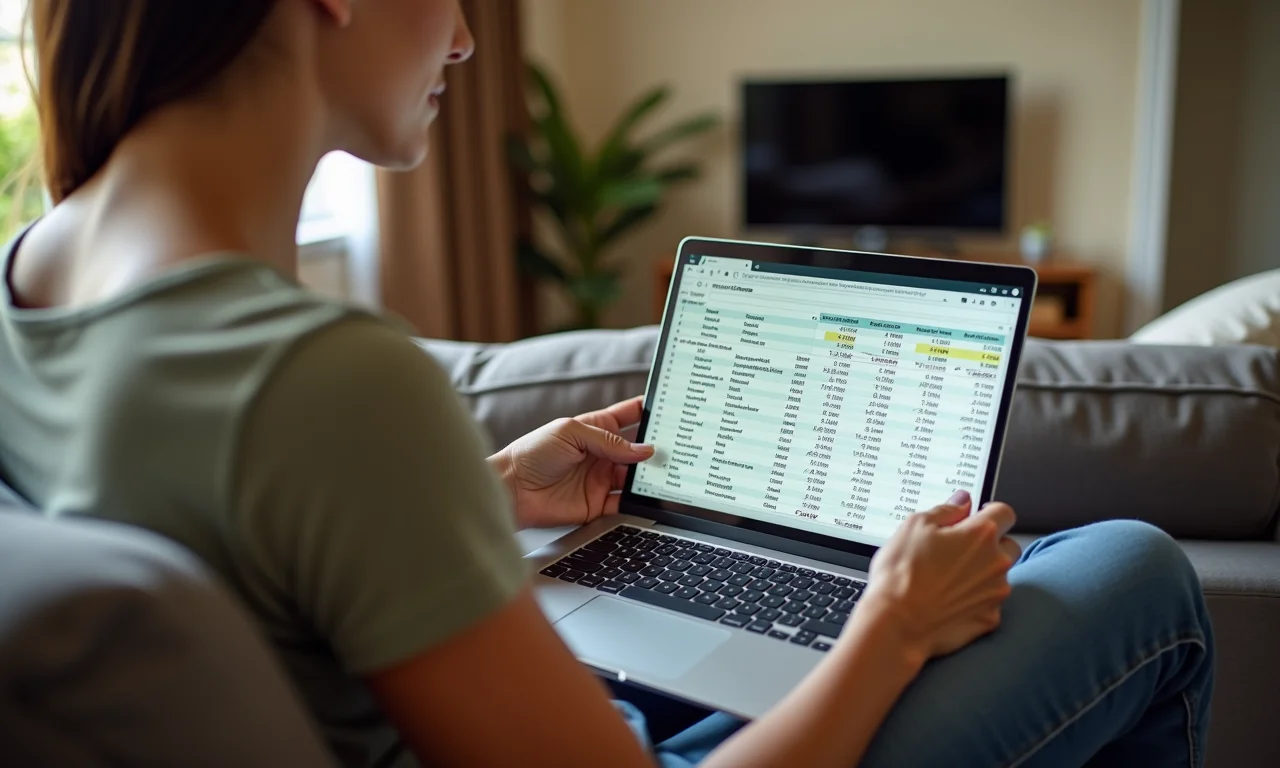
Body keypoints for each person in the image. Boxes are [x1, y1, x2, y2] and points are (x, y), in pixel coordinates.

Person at [0, 2, 1213, 766]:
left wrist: (474, 492)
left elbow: (240, 554)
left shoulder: (35, 275)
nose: (467, 37)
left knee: (1002, 570)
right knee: (1132, 566)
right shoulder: (321, 381)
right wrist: (885, 629)